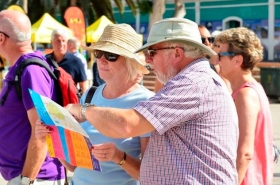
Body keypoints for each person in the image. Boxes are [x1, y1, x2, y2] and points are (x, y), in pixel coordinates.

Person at [65, 18, 239, 184]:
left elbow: (127, 124)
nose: (147, 59)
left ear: (177, 53)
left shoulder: (193, 83)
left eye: (152, 52)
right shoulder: (194, 81)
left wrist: (82, 110)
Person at [35, 24, 153, 185]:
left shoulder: (147, 102)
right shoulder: (91, 95)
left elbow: (150, 176)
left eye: (111, 55)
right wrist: (50, 138)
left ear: (130, 62)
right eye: (98, 53)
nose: (102, 60)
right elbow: (74, 167)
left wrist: (119, 157)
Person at [0, 10, 65, 185]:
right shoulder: (22, 68)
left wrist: (26, 180)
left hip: (35, 178)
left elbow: (43, 130)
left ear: (1, 38)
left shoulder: (31, 71)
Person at [215, 27, 274, 185]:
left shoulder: (245, 94)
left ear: (237, 60)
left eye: (221, 55)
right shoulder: (250, 89)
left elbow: (245, 152)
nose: (216, 60)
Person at [46, 29, 88, 95]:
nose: (61, 44)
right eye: (58, 41)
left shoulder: (76, 61)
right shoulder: (45, 61)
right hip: (48, 103)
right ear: (51, 42)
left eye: (63, 41)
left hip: (69, 104)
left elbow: (84, 87)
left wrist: (82, 104)